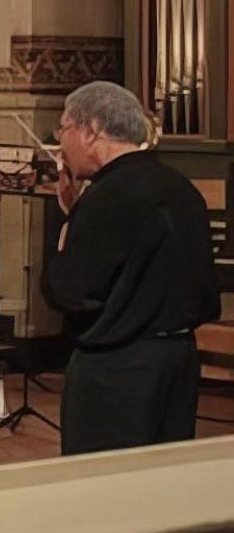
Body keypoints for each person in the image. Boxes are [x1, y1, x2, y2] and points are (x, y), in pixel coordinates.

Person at [44, 81, 219, 455]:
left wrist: (66, 232)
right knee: (162, 487)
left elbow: (70, 293)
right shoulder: (181, 187)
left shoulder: (107, 197)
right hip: (178, 361)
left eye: (64, 128)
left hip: (117, 370)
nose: (60, 142)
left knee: (103, 492)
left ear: (91, 131)